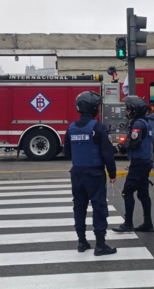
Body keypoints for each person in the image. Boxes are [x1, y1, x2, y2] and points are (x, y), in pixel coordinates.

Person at [64, 91, 117, 256]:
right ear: (93, 108)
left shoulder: (71, 128)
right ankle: (100, 244)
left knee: (79, 207)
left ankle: (81, 241)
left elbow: (67, 153)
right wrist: (112, 173)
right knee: (99, 206)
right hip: (94, 173)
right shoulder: (98, 128)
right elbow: (107, 154)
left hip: (77, 173)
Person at [112, 96, 154, 233]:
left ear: (135, 110)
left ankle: (128, 223)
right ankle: (148, 223)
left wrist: (121, 147)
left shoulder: (137, 124)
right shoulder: (144, 122)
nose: (127, 111)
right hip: (145, 161)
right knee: (143, 194)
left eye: (129, 109)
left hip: (138, 163)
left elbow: (134, 143)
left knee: (127, 192)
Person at [145, 106, 154, 172]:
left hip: (149, 136)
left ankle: (150, 166)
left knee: (150, 152)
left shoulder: (147, 118)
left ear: (147, 111)